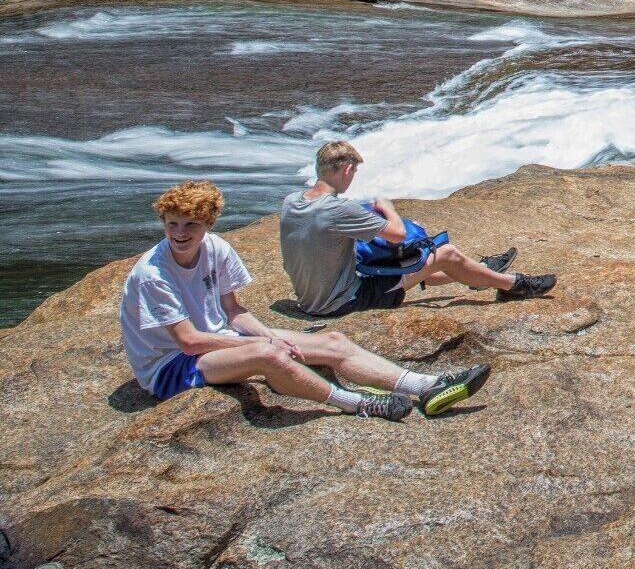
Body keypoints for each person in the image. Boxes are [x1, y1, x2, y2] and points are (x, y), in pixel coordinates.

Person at [123, 179, 491, 421]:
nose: (180, 233)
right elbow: (188, 342)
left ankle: (424, 386)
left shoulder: (216, 249)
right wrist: (267, 341)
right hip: (170, 368)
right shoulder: (153, 274)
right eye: (172, 224)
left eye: (191, 225)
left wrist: (266, 331)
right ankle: (358, 404)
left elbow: (233, 310)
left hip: (216, 340)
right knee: (270, 355)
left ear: (209, 224)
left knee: (332, 341)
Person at [282, 142, 548, 319]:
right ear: (347, 169)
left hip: (310, 298)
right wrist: (388, 208)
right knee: (445, 253)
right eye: (354, 173)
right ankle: (514, 285)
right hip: (344, 300)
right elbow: (396, 233)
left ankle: (481, 272)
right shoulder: (339, 210)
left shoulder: (291, 201)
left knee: (415, 266)